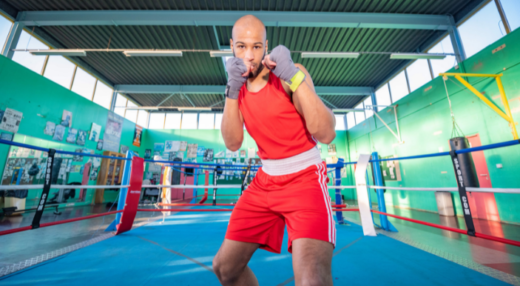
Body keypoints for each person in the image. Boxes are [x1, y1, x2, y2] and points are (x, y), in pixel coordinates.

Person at [213, 15, 337, 286]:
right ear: (231, 46)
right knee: (225, 269)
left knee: (312, 280)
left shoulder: (291, 73)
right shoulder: (237, 87)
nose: (249, 55)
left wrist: (294, 77)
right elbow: (232, 142)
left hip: (305, 180)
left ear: (266, 45)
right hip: (265, 182)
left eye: (257, 47)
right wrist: (231, 91)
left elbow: (326, 133)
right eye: (242, 47)